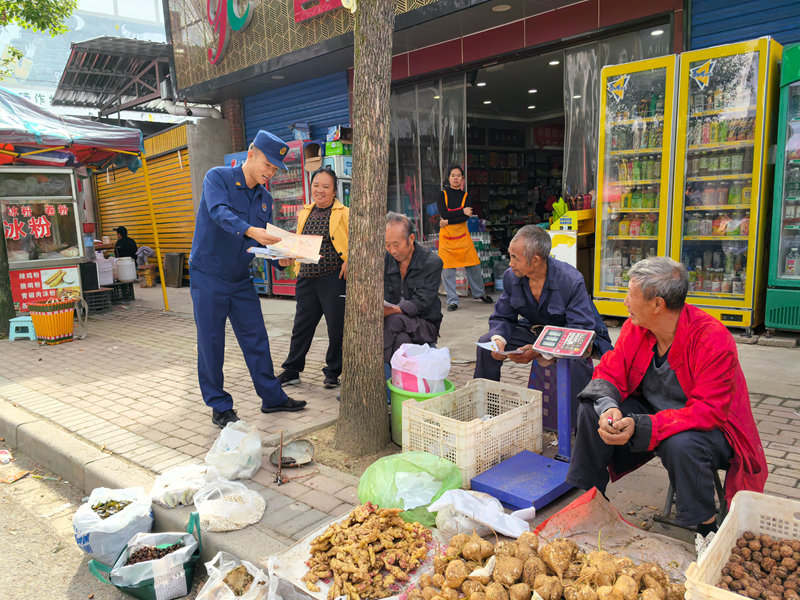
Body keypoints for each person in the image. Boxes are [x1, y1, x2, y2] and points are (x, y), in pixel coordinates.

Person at [565, 257, 767, 535]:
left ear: (657, 304)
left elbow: (709, 412)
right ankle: (590, 499)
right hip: (654, 415)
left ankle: (706, 528)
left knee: (680, 443)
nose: (625, 302)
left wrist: (648, 425)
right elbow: (610, 372)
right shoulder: (636, 327)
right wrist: (610, 407)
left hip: (711, 430)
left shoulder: (713, 339)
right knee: (593, 410)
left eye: (630, 295)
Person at [189, 130, 306, 428]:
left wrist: (281, 255)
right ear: (251, 152)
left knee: (256, 338)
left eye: (275, 170)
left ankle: (272, 397)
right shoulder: (217, 178)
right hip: (209, 275)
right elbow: (219, 213)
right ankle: (220, 406)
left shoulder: (264, 198)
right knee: (212, 342)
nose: (270, 173)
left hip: (241, 278)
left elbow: (263, 242)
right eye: (267, 165)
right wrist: (252, 231)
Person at [474, 225, 613, 420]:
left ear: (536, 260)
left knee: (574, 358)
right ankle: (485, 413)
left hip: (575, 336)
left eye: (515, 257)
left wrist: (540, 349)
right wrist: (499, 341)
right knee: (486, 345)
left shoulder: (571, 280)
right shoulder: (511, 277)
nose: (510, 263)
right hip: (535, 330)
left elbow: (579, 331)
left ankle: (576, 423)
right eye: (510, 256)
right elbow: (503, 316)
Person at [277, 167, 348, 389]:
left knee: (336, 327)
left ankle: (333, 371)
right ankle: (291, 370)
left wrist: (350, 259)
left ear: (334, 191)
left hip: (332, 278)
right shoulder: (305, 212)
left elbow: (358, 241)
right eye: (316, 185)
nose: (320, 190)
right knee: (301, 326)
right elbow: (298, 241)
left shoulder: (345, 213)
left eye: (326, 187)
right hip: (307, 277)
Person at [384, 212, 443, 363]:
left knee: (393, 320)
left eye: (396, 244)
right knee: (401, 341)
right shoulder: (385, 260)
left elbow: (423, 301)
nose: (392, 250)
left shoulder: (432, 262)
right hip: (397, 328)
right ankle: (395, 384)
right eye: (387, 245)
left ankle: (379, 367)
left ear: (411, 239)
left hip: (424, 323)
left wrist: (393, 310)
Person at [437, 166, 492, 311]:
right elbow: (444, 213)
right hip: (447, 239)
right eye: (453, 175)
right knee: (448, 270)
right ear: (448, 178)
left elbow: (464, 217)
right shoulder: (442, 195)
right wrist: (461, 212)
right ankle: (452, 300)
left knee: (474, 265)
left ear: (463, 179)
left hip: (462, 237)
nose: (456, 178)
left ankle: (479, 293)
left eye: (459, 175)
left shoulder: (466, 196)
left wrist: (448, 220)